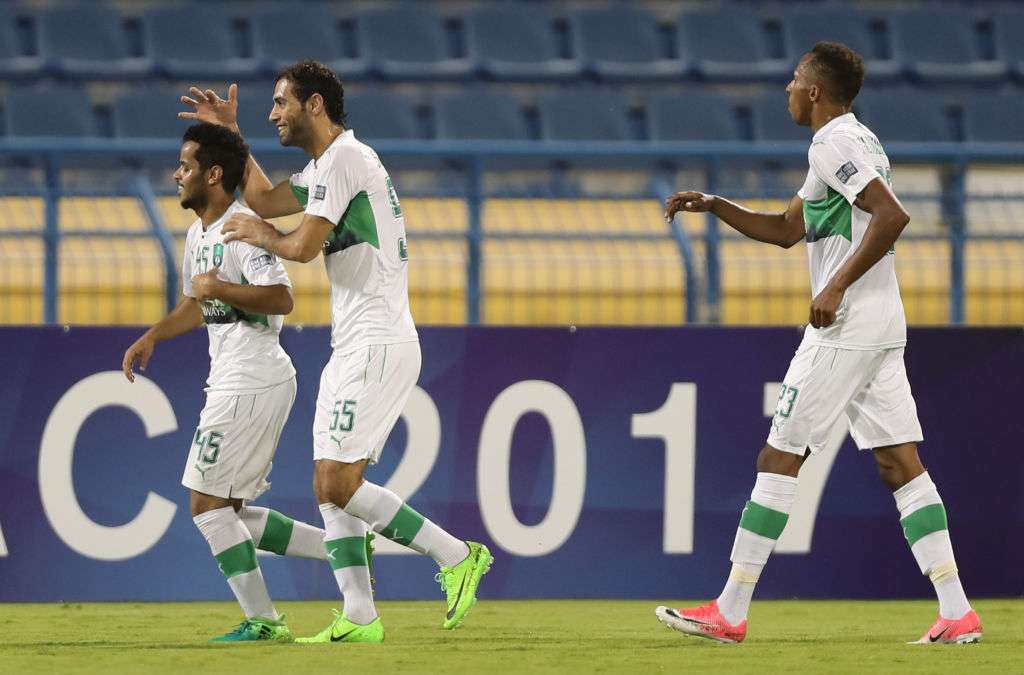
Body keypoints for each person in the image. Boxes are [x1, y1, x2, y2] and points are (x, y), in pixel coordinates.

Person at [657, 42, 981, 645]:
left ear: (813, 91)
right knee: (899, 462)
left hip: (848, 326)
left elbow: (891, 217)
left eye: (794, 79)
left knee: (779, 455)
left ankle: (729, 610)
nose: (786, 87)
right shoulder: (857, 142)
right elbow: (787, 230)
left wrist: (833, 287)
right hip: (883, 323)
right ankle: (957, 609)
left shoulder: (831, 143)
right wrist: (714, 204)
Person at [178, 61, 492, 643]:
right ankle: (359, 616)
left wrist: (258, 236)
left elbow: (297, 244)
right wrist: (233, 137)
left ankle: (456, 555)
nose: (274, 113)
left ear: (314, 105)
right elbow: (269, 200)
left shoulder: (348, 159)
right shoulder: (326, 166)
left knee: (337, 485)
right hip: (352, 342)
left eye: (281, 103)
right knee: (329, 484)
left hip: (378, 339)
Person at [122, 122, 333, 642]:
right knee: (228, 510)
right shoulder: (198, 234)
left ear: (213, 175)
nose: (177, 174)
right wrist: (155, 334)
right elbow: (198, 305)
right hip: (235, 380)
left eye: (187, 166)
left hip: (252, 379)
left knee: (205, 504)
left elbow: (281, 299)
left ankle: (264, 621)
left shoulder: (242, 227)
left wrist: (220, 284)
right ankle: (345, 549)